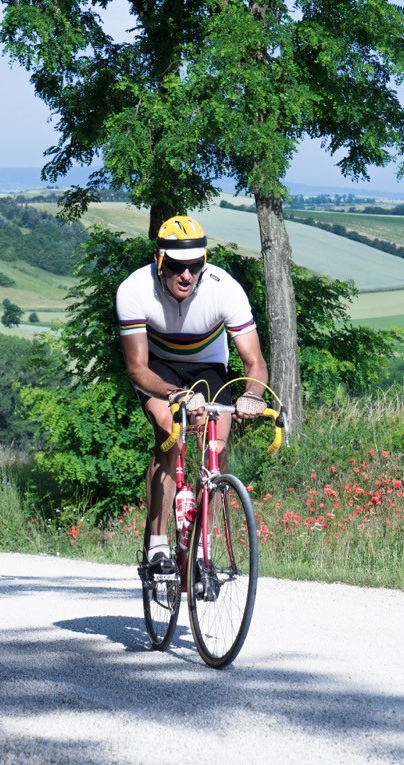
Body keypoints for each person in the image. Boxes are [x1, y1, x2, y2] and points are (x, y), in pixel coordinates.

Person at [115, 215, 269, 581]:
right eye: (178, 267)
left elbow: (255, 362)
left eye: (195, 266)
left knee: (215, 446)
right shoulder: (135, 290)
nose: (187, 276)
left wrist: (252, 394)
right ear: (159, 261)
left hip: (208, 366)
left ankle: (205, 551)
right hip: (158, 369)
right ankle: (157, 545)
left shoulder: (224, 289)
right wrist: (175, 395)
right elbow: (137, 369)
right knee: (170, 434)